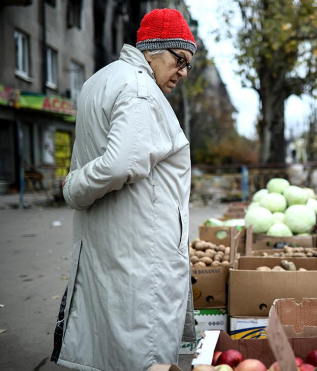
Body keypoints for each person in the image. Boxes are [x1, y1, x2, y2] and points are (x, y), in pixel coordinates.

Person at [51, 9, 197, 371]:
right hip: (140, 249)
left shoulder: (100, 80)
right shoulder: (139, 90)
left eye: (187, 65)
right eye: (180, 60)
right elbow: (121, 163)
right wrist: (72, 189)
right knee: (141, 352)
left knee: (109, 343)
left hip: (118, 240)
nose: (182, 72)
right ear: (152, 50)